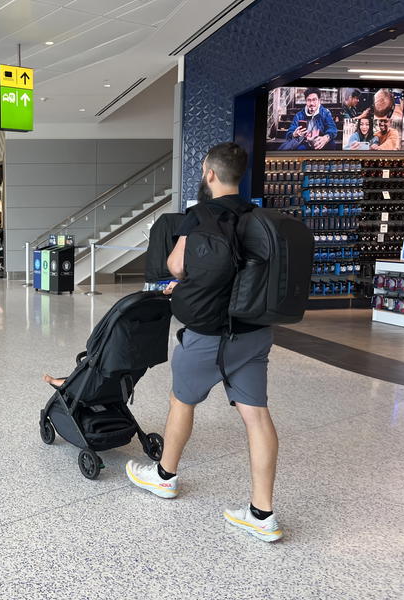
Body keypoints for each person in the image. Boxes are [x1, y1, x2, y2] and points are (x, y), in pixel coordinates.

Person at [124, 142, 282, 543]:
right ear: (240, 174)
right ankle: (262, 513)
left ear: (210, 173)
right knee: (257, 415)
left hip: (209, 333)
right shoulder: (259, 217)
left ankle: (164, 476)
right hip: (254, 333)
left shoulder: (200, 216)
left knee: (182, 400)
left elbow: (176, 265)